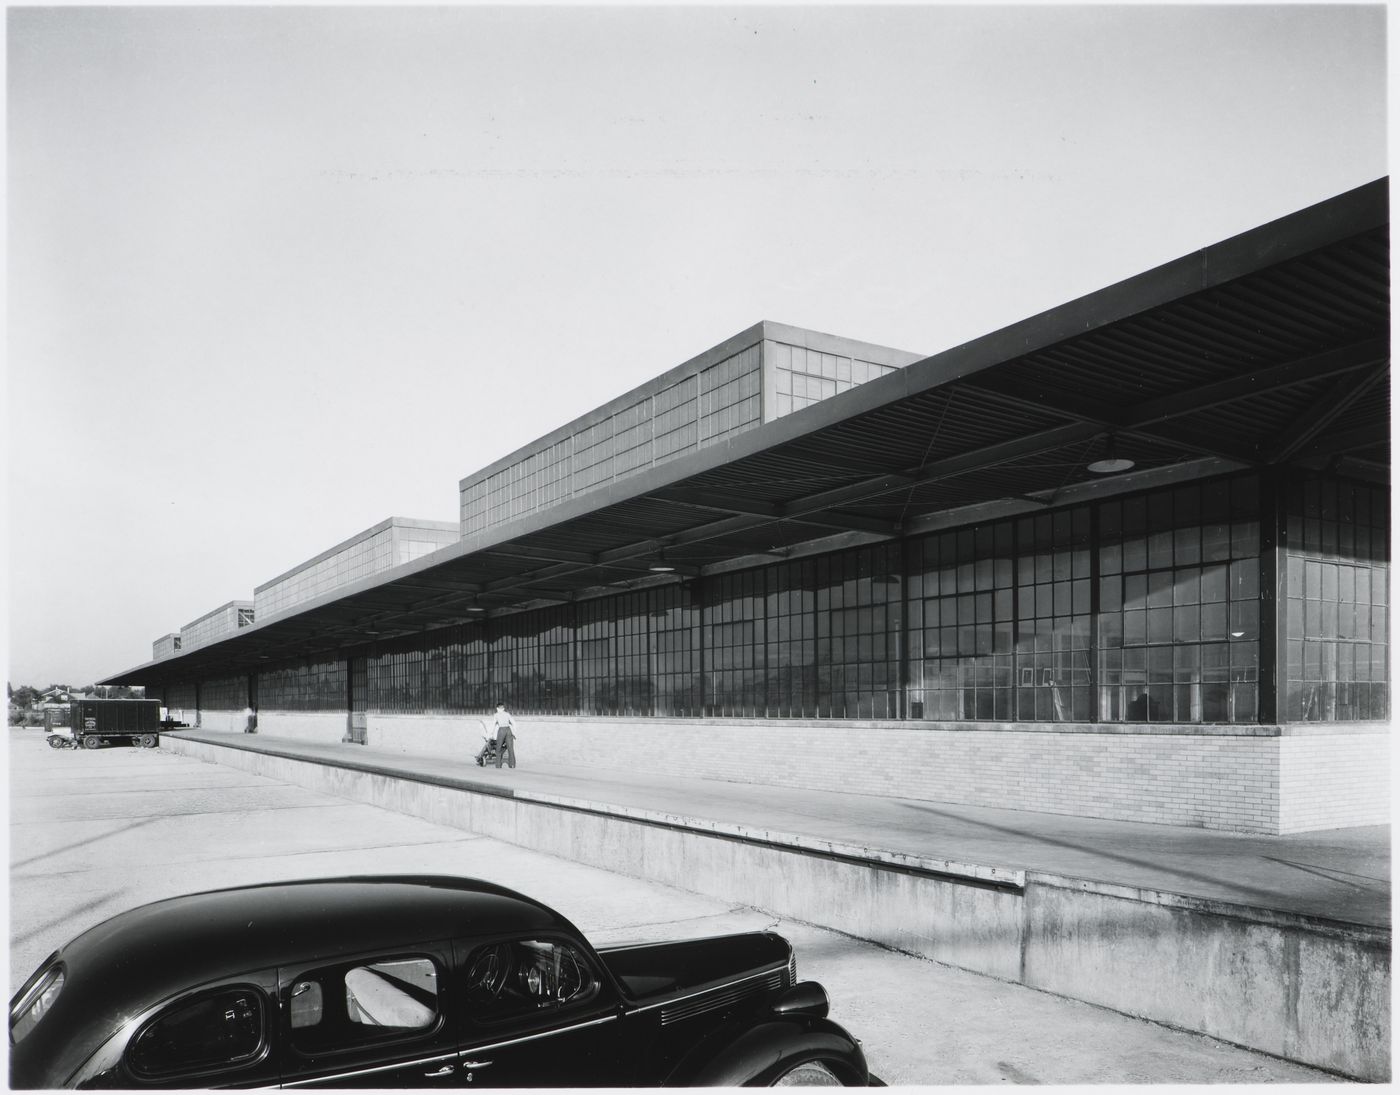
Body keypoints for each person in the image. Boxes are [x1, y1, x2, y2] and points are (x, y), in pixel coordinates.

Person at [487, 702, 517, 769]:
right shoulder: (507, 714)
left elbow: (493, 725)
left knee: (498, 748)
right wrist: (514, 733)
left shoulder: (496, 715)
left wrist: (490, 734)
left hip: (501, 730)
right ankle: (512, 765)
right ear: (503, 708)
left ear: (497, 708)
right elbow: (514, 723)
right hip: (508, 730)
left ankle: (498, 765)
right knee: (510, 748)